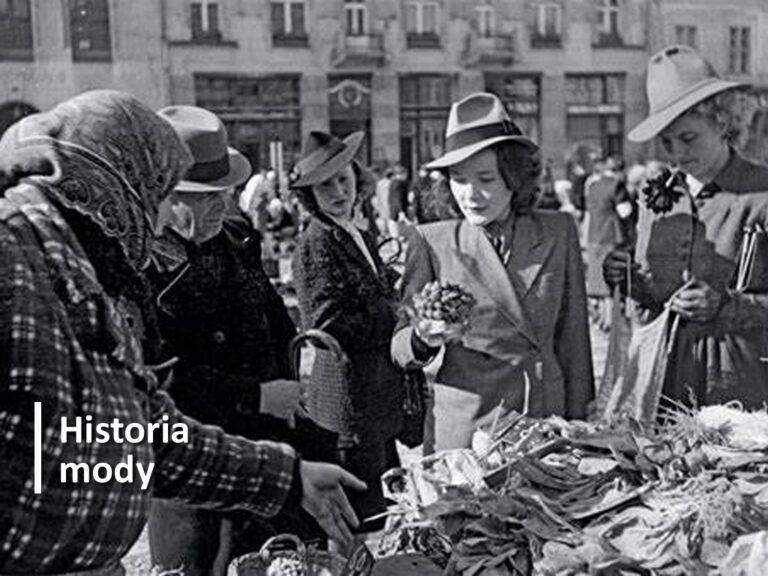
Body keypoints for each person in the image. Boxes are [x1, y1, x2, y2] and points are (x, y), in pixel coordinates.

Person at [0, 91, 364, 575]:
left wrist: (287, 478)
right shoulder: (14, 256)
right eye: (162, 197)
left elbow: (145, 435)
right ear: (118, 185)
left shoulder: (88, 268)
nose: (163, 219)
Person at [147, 106, 335, 574]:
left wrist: (290, 389)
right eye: (201, 198)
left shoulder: (236, 236)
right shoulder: (141, 269)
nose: (220, 206)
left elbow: (274, 322)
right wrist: (255, 396)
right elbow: (160, 383)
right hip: (198, 477)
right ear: (163, 197)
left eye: (224, 194)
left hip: (272, 460)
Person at [391, 92, 594, 453]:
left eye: (485, 178)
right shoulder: (431, 242)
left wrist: (581, 423)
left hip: (545, 422)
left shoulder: (559, 230)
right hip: (470, 432)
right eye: (458, 179)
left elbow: (574, 338)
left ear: (514, 178)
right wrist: (424, 336)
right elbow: (399, 347)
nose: (471, 194)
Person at [603, 45, 768, 409]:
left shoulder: (761, 193)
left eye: (688, 138)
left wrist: (728, 305)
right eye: (666, 142)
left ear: (722, 121)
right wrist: (627, 278)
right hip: (660, 382)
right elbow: (653, 295)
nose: (677, 153)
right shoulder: (656, 197)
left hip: (741, 386)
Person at [290, 131, 406, 524]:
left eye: (345, 178)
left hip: (375, 396)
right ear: (310, 194)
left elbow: (367, 291)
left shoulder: (355, 230)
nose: (339, 190)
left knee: (387, 503)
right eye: (326, 185)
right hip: (349, 402)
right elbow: (324, 326)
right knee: (365, 515)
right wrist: (390, 313)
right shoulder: (316, 241)